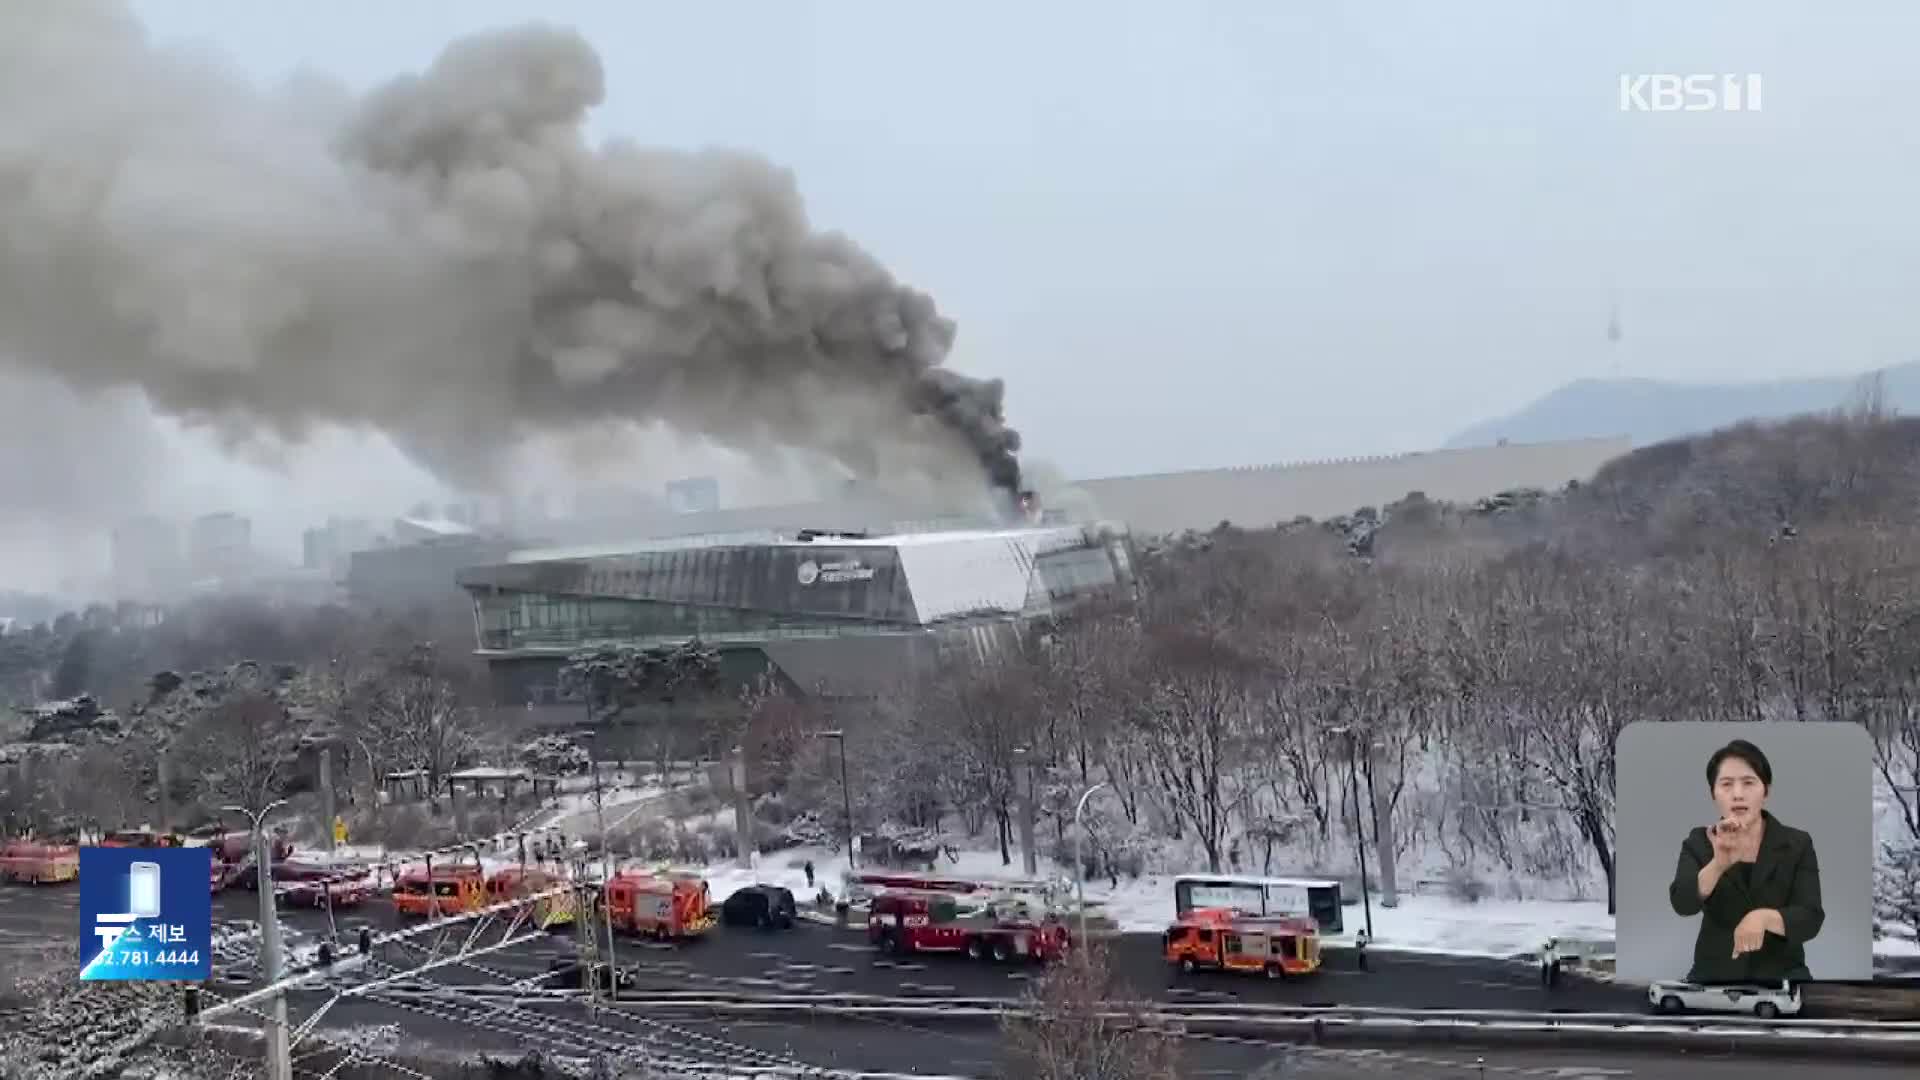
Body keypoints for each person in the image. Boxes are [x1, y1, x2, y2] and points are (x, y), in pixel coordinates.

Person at [1667, 739, 1823, 984]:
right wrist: (1718, 864)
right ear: (1713, 794)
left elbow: (1811, 918)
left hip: (1784, 980)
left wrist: (1762, 918)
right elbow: (1682, 903)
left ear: (1766, 791)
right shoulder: (1700, 841)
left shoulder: (1797, 843)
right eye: (1726, 784)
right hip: (1714, 981)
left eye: (1749, 783)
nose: (1738, 794)